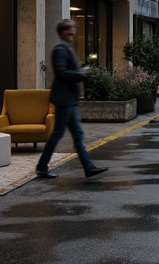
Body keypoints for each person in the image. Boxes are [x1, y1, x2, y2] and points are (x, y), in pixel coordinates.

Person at [35, 19, 107, 180]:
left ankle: (88, 168)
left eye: (73, 29)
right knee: (59, 134)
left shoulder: (66, 47)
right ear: (63, 32)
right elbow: (62, 72)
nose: (73, 32)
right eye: (69, 30)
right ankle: (42, 167)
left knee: (77, 135)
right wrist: (81, 74)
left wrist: (80, 72)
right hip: (64, 99)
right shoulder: (60, 49)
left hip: (69, 100)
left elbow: (67, 71)